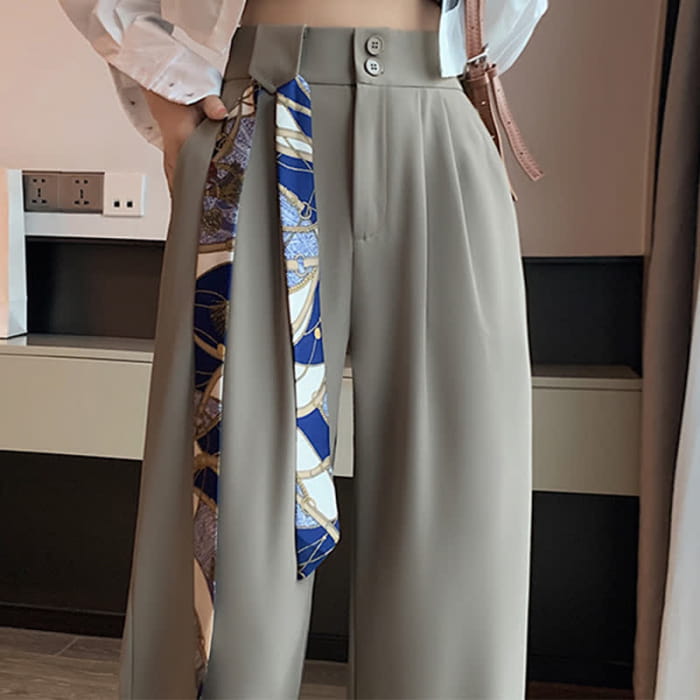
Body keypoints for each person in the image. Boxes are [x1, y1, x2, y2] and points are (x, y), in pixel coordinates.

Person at [59, 1, 547, 698]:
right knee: (229, 525)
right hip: (259, 118)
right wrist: (165, 86)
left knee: (461, 534)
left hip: (443, 120)